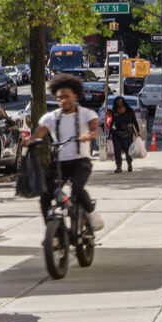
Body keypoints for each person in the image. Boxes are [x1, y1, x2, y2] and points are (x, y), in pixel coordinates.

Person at [30, 75, 103, 230]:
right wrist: (30, 141)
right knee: (45, 196)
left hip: (80, 161)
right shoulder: (51, 117)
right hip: (59, 163)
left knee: (77, 190)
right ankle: (56, 233)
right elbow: (39, 132)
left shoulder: (86, 114)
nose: (64, 100)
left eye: (67, 97)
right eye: (60, 98)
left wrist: (89, 135)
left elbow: (95, 129)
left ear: (75, 96)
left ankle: (91, 214)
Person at [106, 95, 139, 174]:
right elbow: (112, 123)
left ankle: (129, 164)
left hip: (127, 133)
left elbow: (134, 121)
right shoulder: (114, 111)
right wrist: (109, 134)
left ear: (123, 102)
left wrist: (138, 131)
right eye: (117, 102)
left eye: (120, 102)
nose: (119, 104)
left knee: (128, 151)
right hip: (116, 134)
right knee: (117, 151)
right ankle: (119, 167)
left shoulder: (129, 111)